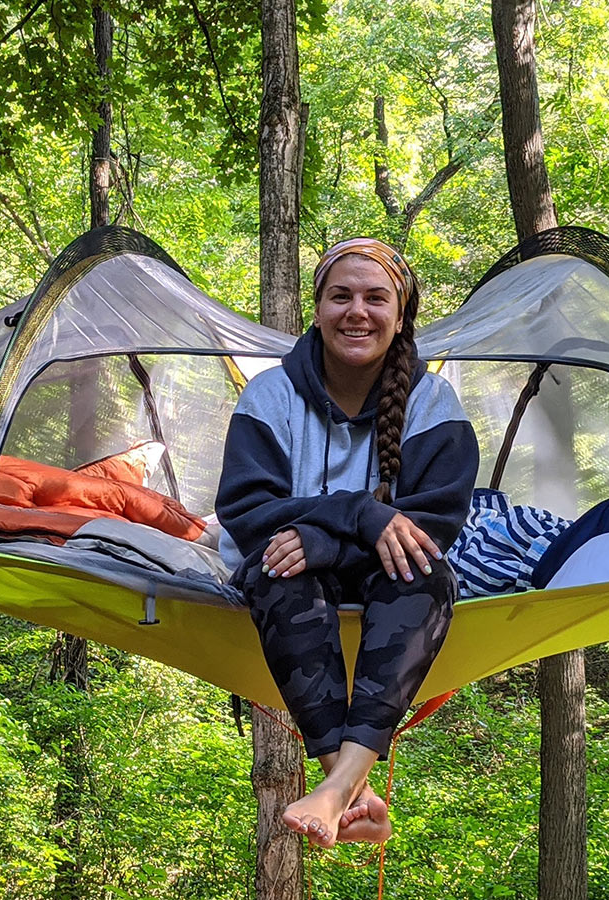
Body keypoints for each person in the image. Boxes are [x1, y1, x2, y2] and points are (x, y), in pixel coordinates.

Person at [215, 238, 478, 848]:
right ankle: (352, 788)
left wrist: (329, 539)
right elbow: (248, 513)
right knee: (282, 572)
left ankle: (336, 789)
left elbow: (432, 523)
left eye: (375, 297)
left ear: (401, 312)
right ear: (317, 309)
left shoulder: (432, 401)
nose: (357, 311)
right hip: (290, 571)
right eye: (341, 296)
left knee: (426, 572)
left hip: (382, 572)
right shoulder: (270, 396)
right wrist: (358, 513)